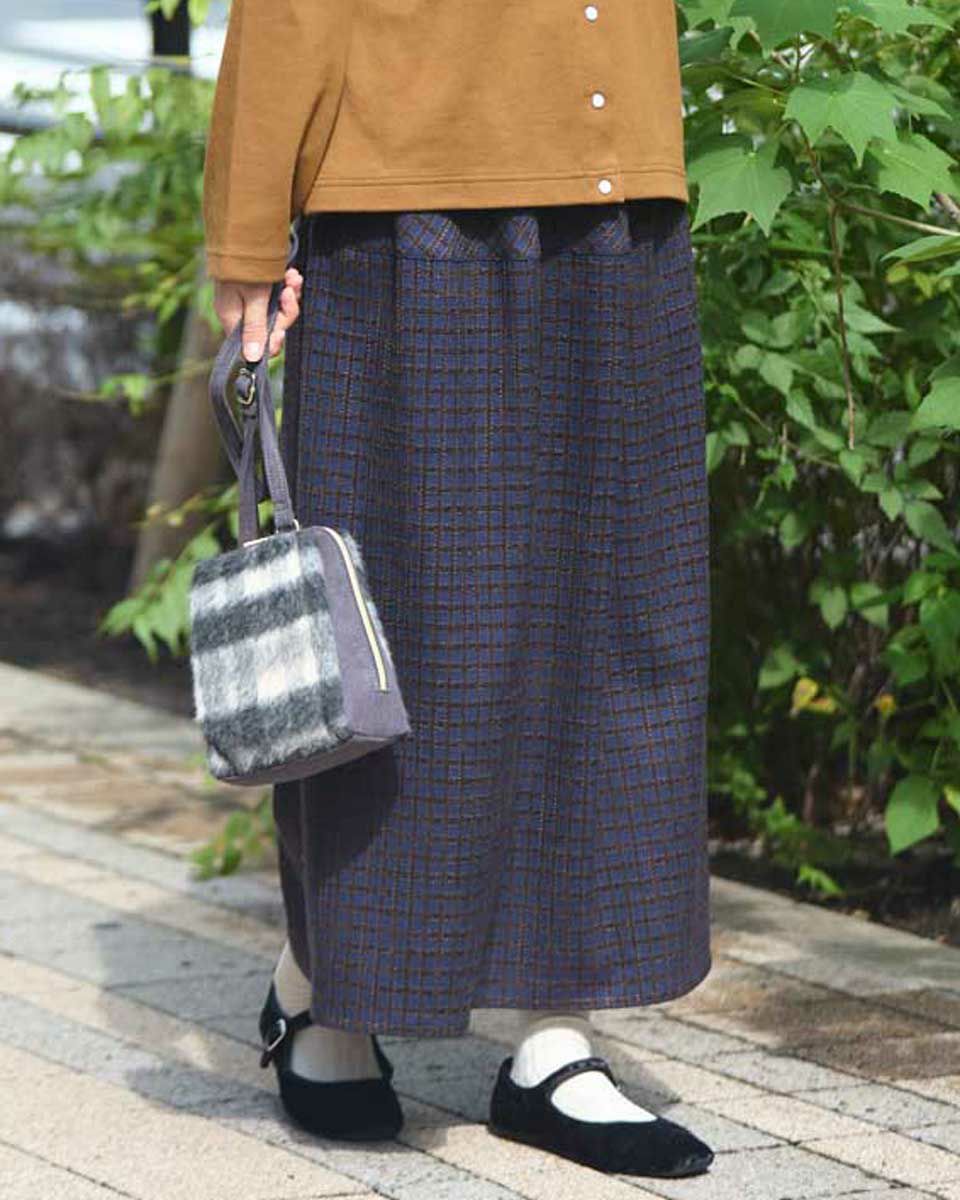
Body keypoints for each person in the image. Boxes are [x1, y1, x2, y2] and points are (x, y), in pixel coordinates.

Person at [202, 0, 715, 1179]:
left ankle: (552, 1036)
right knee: (400, 638)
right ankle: (333, 992)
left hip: (619, 193)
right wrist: (246, 237)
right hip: (406, 195)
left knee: (606, 626)